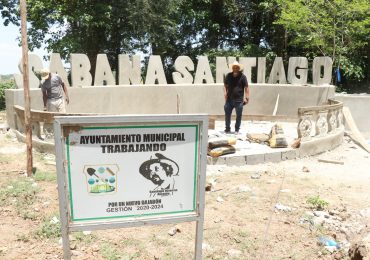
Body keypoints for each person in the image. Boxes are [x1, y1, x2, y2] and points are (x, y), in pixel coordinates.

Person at [223, 61, 249, 134]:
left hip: (239, 100)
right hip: (229, 100)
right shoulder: (228, 75)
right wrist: (225, 93)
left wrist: (247, 97)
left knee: (239, 116)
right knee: (227, 115)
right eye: (234, 67)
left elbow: (246, 87)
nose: (235, 68)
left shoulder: (243, 77)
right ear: (232, 68)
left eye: (237, 67)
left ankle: (237, 130)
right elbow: (225, 85)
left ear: (239, 68)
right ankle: (227, 129)